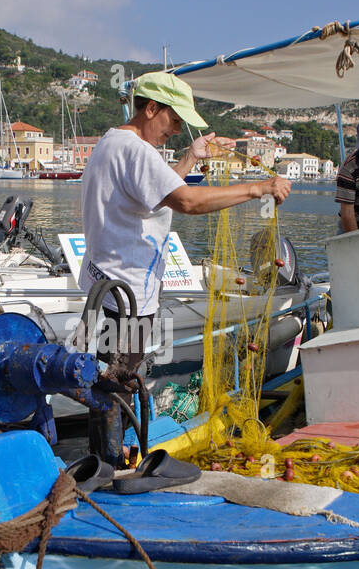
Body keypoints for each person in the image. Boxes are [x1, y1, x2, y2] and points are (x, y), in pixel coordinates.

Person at [80, 70, 292, 372]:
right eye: (175, 120)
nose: (178, 131)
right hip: (130, 299)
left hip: (104, 287)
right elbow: (187, 202)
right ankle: (114, 419)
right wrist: (258, 188)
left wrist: (190, 158)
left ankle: (107, 415)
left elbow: (159, 192)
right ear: (152, 108)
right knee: (119, 384)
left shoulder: (111, 142)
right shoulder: (138, 152)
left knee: (104, 376)